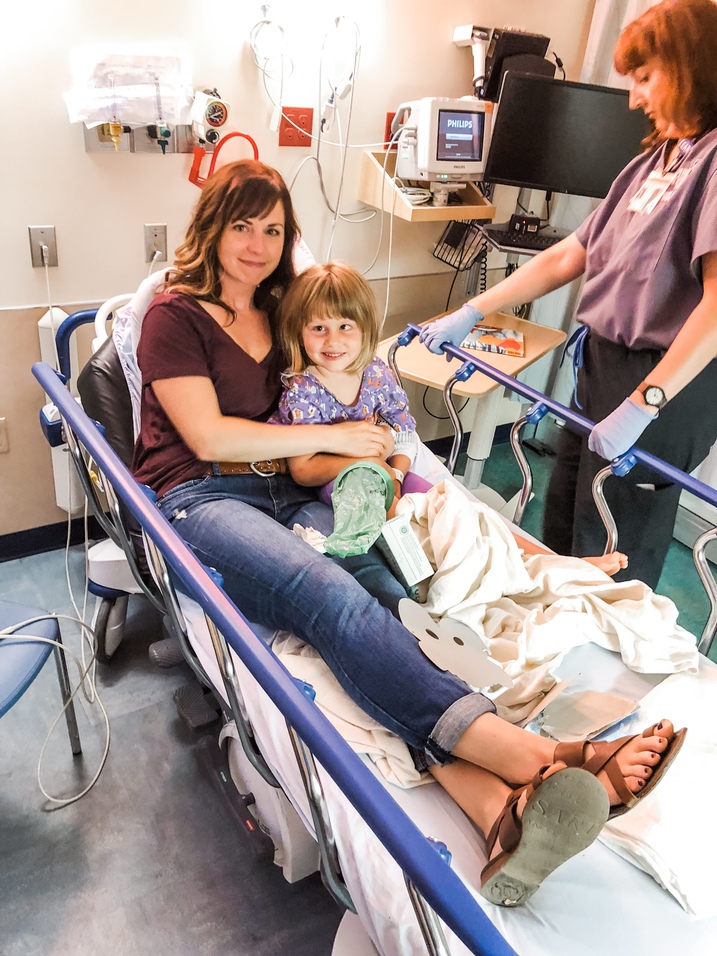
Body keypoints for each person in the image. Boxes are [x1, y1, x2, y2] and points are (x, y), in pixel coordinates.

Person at [130, 157, 681, 906]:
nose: (256, 244)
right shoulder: (175, 314)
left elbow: (345, 354)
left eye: (272, 229)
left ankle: (498, 814)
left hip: (296, 484)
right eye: (240, 226)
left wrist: (377, 436)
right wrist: (343, 442)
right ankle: (543, 757)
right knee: (324, 594)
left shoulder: (284, 303)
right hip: (201, 495)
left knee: (387, 604)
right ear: (211, 229)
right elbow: (211, 437)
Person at [420, 0, 717, 591]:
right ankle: (552, 633)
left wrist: (644, 402)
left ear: (693, 68)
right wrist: (473, 310)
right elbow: (567, 255)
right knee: (564, 512)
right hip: (603, 364)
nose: (634, 97)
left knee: (612, 542)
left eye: (645, 77)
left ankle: (600, 664)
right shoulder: (654, 163)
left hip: (666, 380)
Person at [274, 260, 628, 574]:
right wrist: (370, 465)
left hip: (392, 472)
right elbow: (302, 469)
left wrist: (395, 471)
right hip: (343, 484)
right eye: (318, 328)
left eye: (345, 327)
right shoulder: (304, 390)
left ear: (365, 328)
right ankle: (466, 573)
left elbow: (404, 430)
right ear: (299, 332)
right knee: (414, 522)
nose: (332, 341)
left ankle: (556, 562)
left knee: (462, 509)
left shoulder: (376, 373)